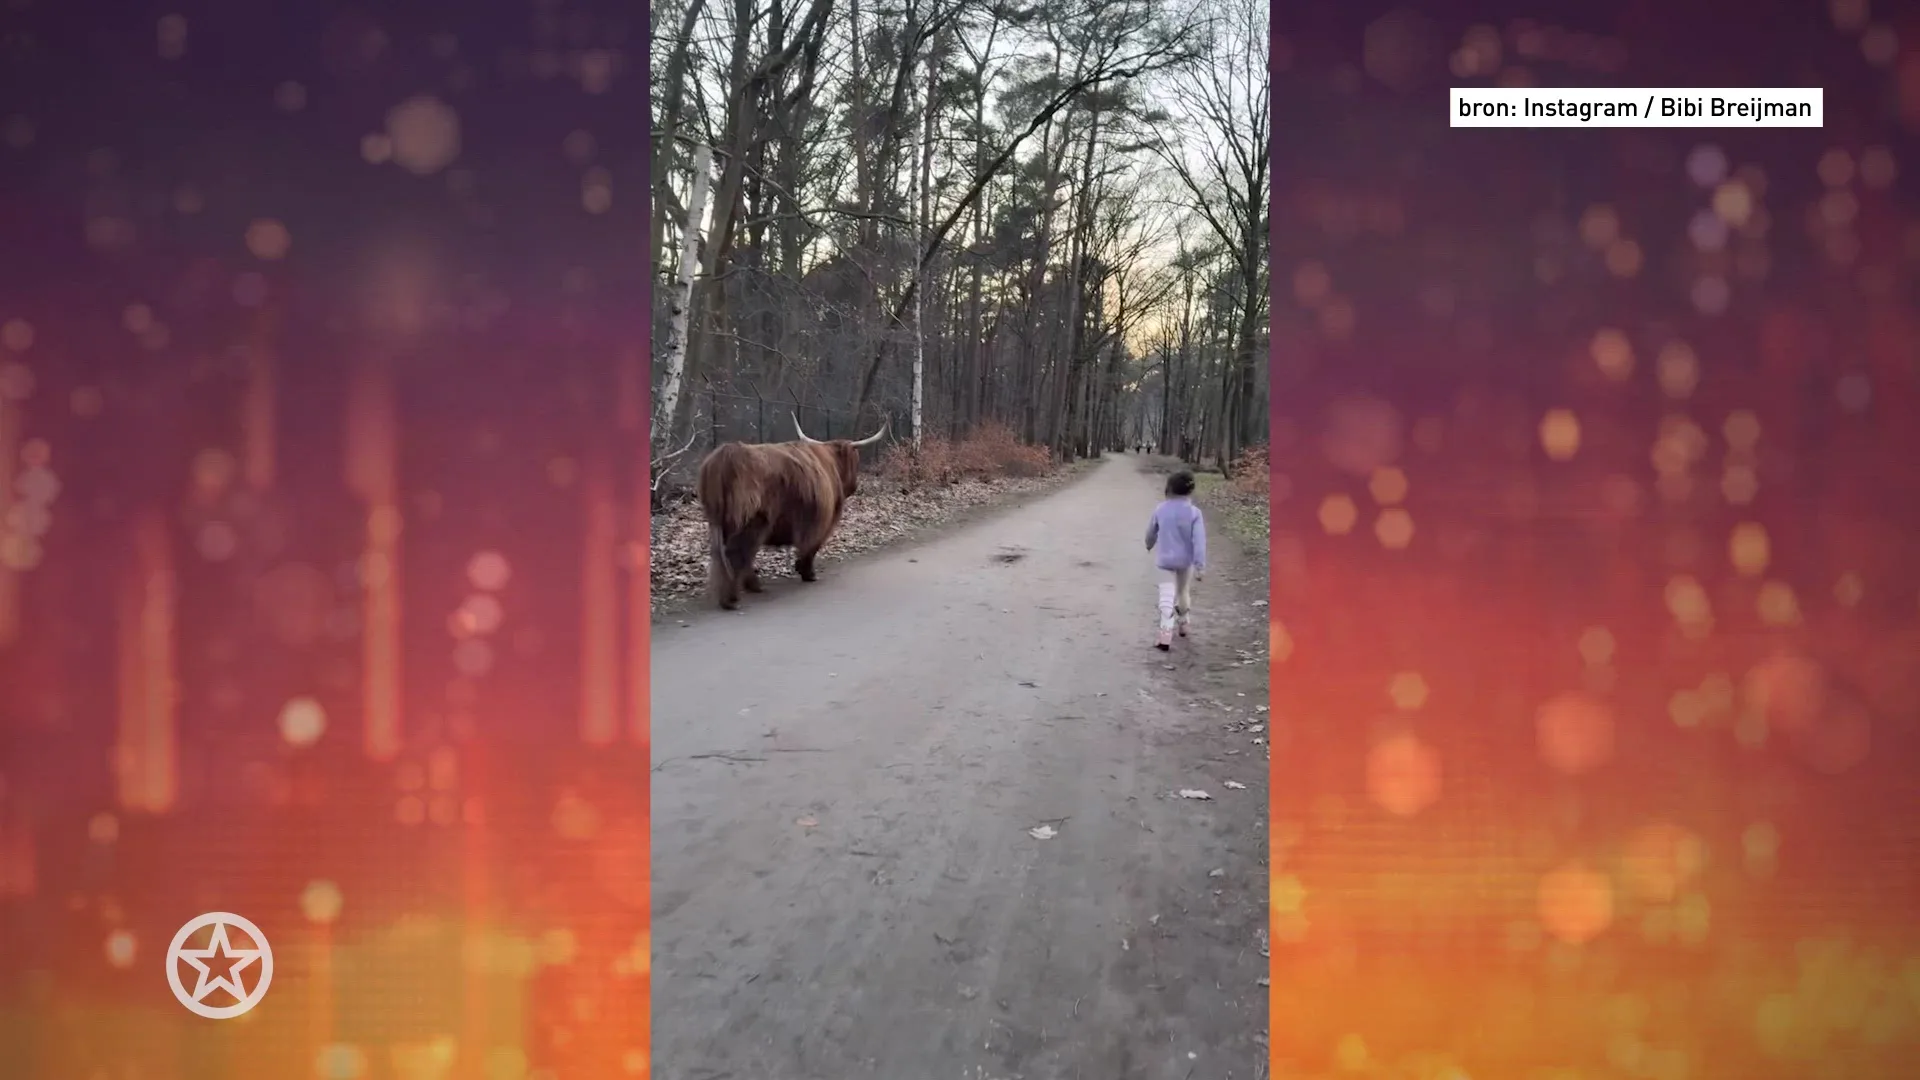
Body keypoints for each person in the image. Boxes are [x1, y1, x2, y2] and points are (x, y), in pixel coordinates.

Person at [1144, 469, 1206, 650]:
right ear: (1190, 491)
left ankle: (1165, 634)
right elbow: (1199, 541)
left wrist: (1149, 544)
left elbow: (1151, 532)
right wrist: (1200, 566)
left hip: (1165, 561)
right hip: (1185, 561)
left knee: (1166, 595)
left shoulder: (1160, 509)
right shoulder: (1194, 513)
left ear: (1169, 488)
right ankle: (1184, 623)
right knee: (1183, 591)